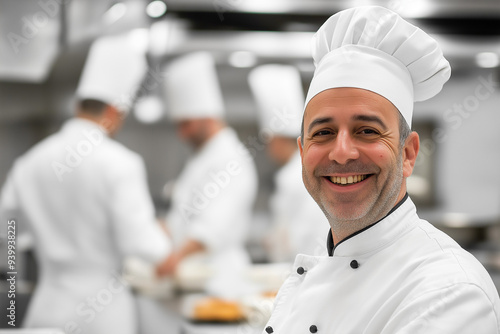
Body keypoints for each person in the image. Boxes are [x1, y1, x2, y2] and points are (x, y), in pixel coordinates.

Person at [262, 6, 500, 333]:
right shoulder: (323, 261)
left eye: (368, 131)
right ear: (303, 152)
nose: (342, 153)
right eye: (323, 133)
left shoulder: (448, 294)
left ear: (408, 153)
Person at [0, 32, 171, 334]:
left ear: (80, 104)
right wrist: (161, 235)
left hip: (47, 307)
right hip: (104, 313)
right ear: (116, 112)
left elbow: (7, 229)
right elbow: (142, 244)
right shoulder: (120, 163)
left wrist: (15, 278)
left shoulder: (30, 162)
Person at [157, 52, 258, 298]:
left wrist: (174, 258)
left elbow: (212, 229)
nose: (182, 134)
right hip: (191, 281)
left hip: (218, 283)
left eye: (186, 123)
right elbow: (181, 219)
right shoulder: (201, 158)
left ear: (207, 116)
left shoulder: (230, 159)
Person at [248, 64, 329, 261]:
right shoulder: (296, 171)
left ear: (277, 139)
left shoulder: (295, 177)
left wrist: (274, 241)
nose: (268, 148)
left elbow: (296, 236)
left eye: (268, 140)